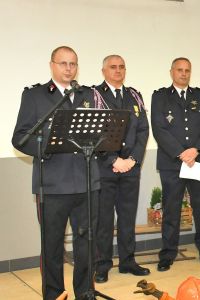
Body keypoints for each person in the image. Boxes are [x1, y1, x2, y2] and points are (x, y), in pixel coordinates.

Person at [12, 46, 100, 299]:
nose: (69, 69)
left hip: (87, 183)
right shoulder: (35, 96)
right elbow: (20, 138)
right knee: (52, 247)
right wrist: (48, 146)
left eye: (73, 64)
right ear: (52, 65)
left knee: (86, 244)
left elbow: (102, 133)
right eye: (63, 63)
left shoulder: (88, 95)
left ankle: (85, 292)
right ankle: (54, 294)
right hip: (52, 185)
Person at [151, 57, 200, 271]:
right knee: (171, 211)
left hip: (197, 161)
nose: (183, 73)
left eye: (187, 70)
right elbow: (158, 128)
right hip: (173, 163)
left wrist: (196, 150)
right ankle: (168, 255)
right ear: (171, 72)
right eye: (179, 70)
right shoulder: (160, 96)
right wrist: (181, 153)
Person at [94, 55, 150, 283]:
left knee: (127, 218)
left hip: (131, 168)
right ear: (103, 70)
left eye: (121, 67)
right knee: (104, 220)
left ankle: (128, 261)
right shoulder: (94, 95)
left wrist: (133, 159)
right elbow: (94, 132)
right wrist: (112, 160)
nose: (118, 71)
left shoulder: (134, 95)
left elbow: (143, 131)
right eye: (113, 67)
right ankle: (102, 265)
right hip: (105, 169)